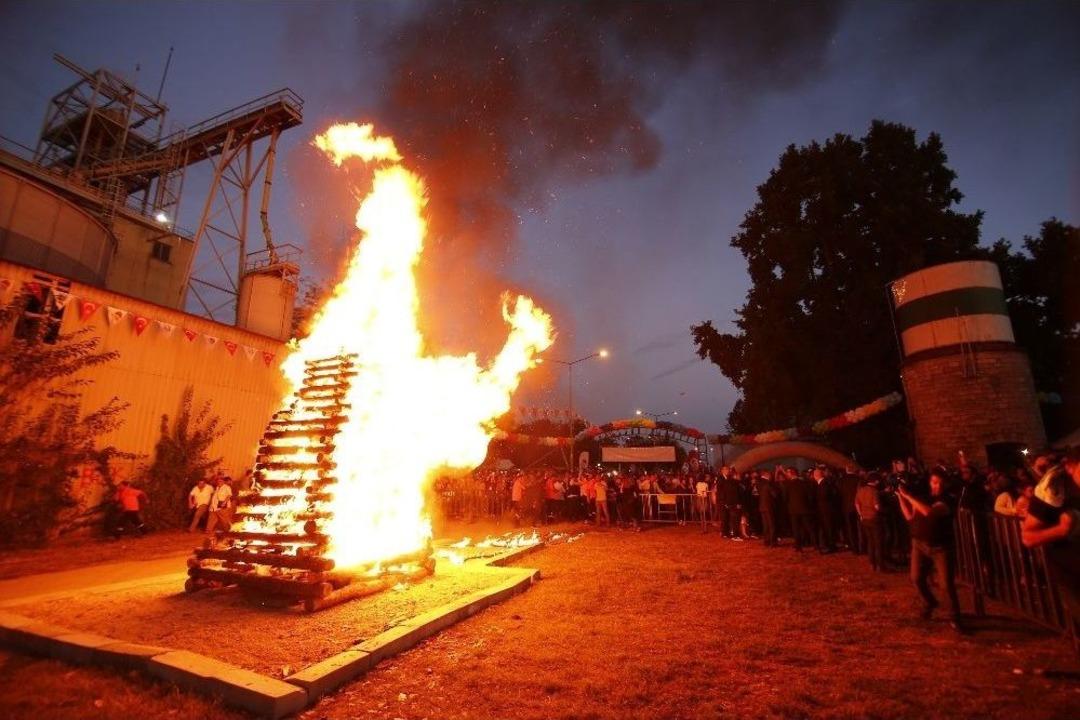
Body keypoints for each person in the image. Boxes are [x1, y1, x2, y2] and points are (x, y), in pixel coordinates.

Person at [1021, 448, 1080, 641]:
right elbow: (1028, 537)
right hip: (1071, 573)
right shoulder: (1052, 491)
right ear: (1070, 467)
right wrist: (1061, 530)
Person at [897, 470, 964, 632]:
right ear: (929, 483)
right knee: (916, 578)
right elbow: (909, 516)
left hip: (940, 547)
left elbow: (929, 512)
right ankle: (929, 602)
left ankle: (954, 617)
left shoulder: (948, 500)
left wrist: (908, 497)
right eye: (934, 482)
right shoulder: (923, 497)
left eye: (940, 483)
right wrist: (900, 497)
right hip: (919, 544)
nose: (937, 486)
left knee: (945, 584)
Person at [855, 472, 884, 572]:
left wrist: (861, 514)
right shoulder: (874, 491)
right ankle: (880, 565)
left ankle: (872, 563)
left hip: (865, 519)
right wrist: (882, 510)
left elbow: (857, 504)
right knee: (878, 542)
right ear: (875, 481)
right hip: (874, 518)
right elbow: (877, 506)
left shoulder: (861, 490)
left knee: (870, 542)